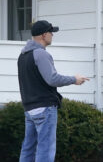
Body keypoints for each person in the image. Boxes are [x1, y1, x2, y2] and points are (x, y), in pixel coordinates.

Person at [18, 20, 89, 162]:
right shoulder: (41, 54)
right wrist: (74, 79)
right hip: (44, 109)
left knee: (28, 149)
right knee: (45, 150)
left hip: (29, 109)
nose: (52, 35)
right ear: (44, 35)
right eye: (51, 32)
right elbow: (52, 79)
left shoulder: (23, 56)